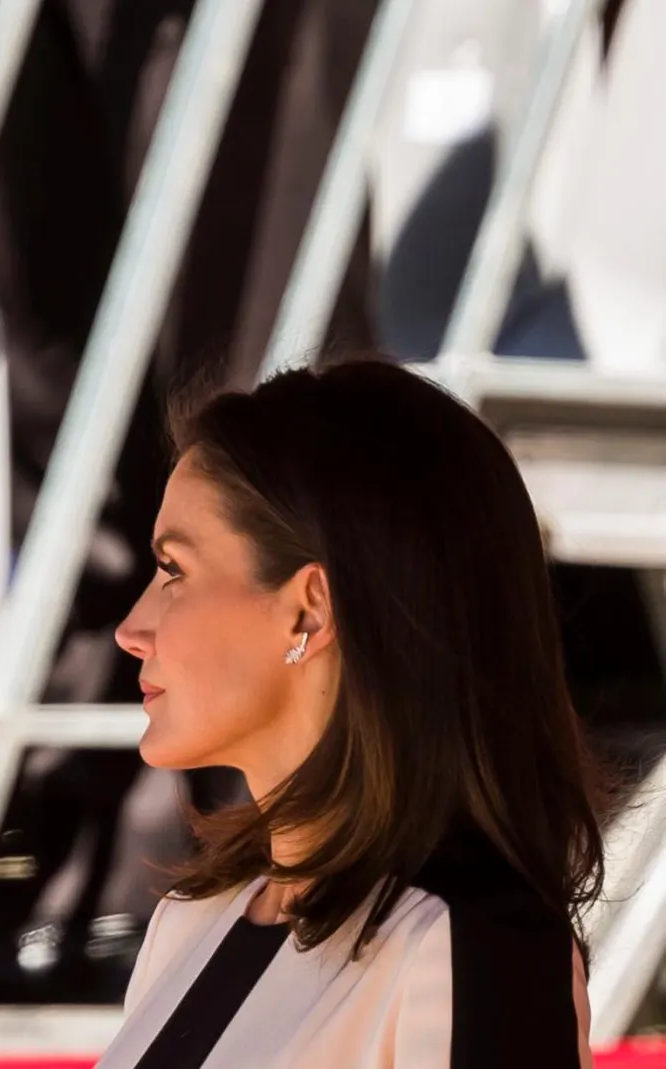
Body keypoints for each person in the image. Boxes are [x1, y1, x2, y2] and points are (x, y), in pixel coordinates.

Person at [92, 359, 603, 1067]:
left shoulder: (465, 946)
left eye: (174, 571)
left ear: (310, 609)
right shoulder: (188, 924)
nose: (132, 625)